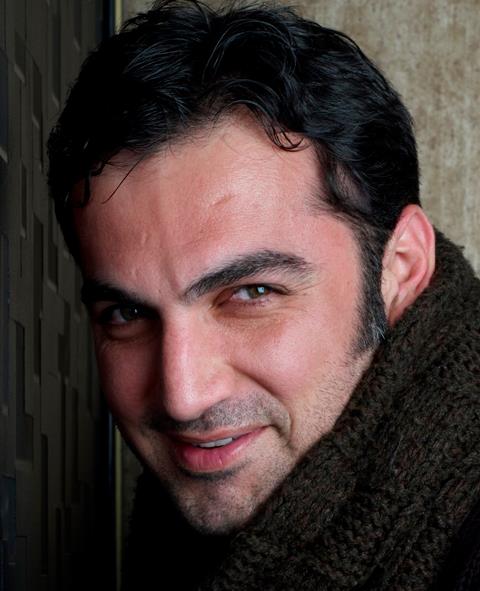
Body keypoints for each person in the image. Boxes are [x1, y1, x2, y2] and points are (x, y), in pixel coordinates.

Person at [47, 1, 480, 589]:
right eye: (126, 312)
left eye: (251, 292)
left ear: (400, 269)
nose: (183, 397)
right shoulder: (171, 537)